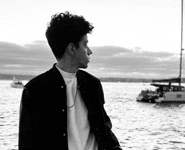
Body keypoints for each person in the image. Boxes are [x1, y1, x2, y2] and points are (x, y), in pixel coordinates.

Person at [18, 12, 122, 150]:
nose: (90, 51)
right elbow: (27, 144)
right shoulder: (36, 90)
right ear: (72, 48)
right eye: (85, 45)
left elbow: (104, 130)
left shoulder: (92, 84)